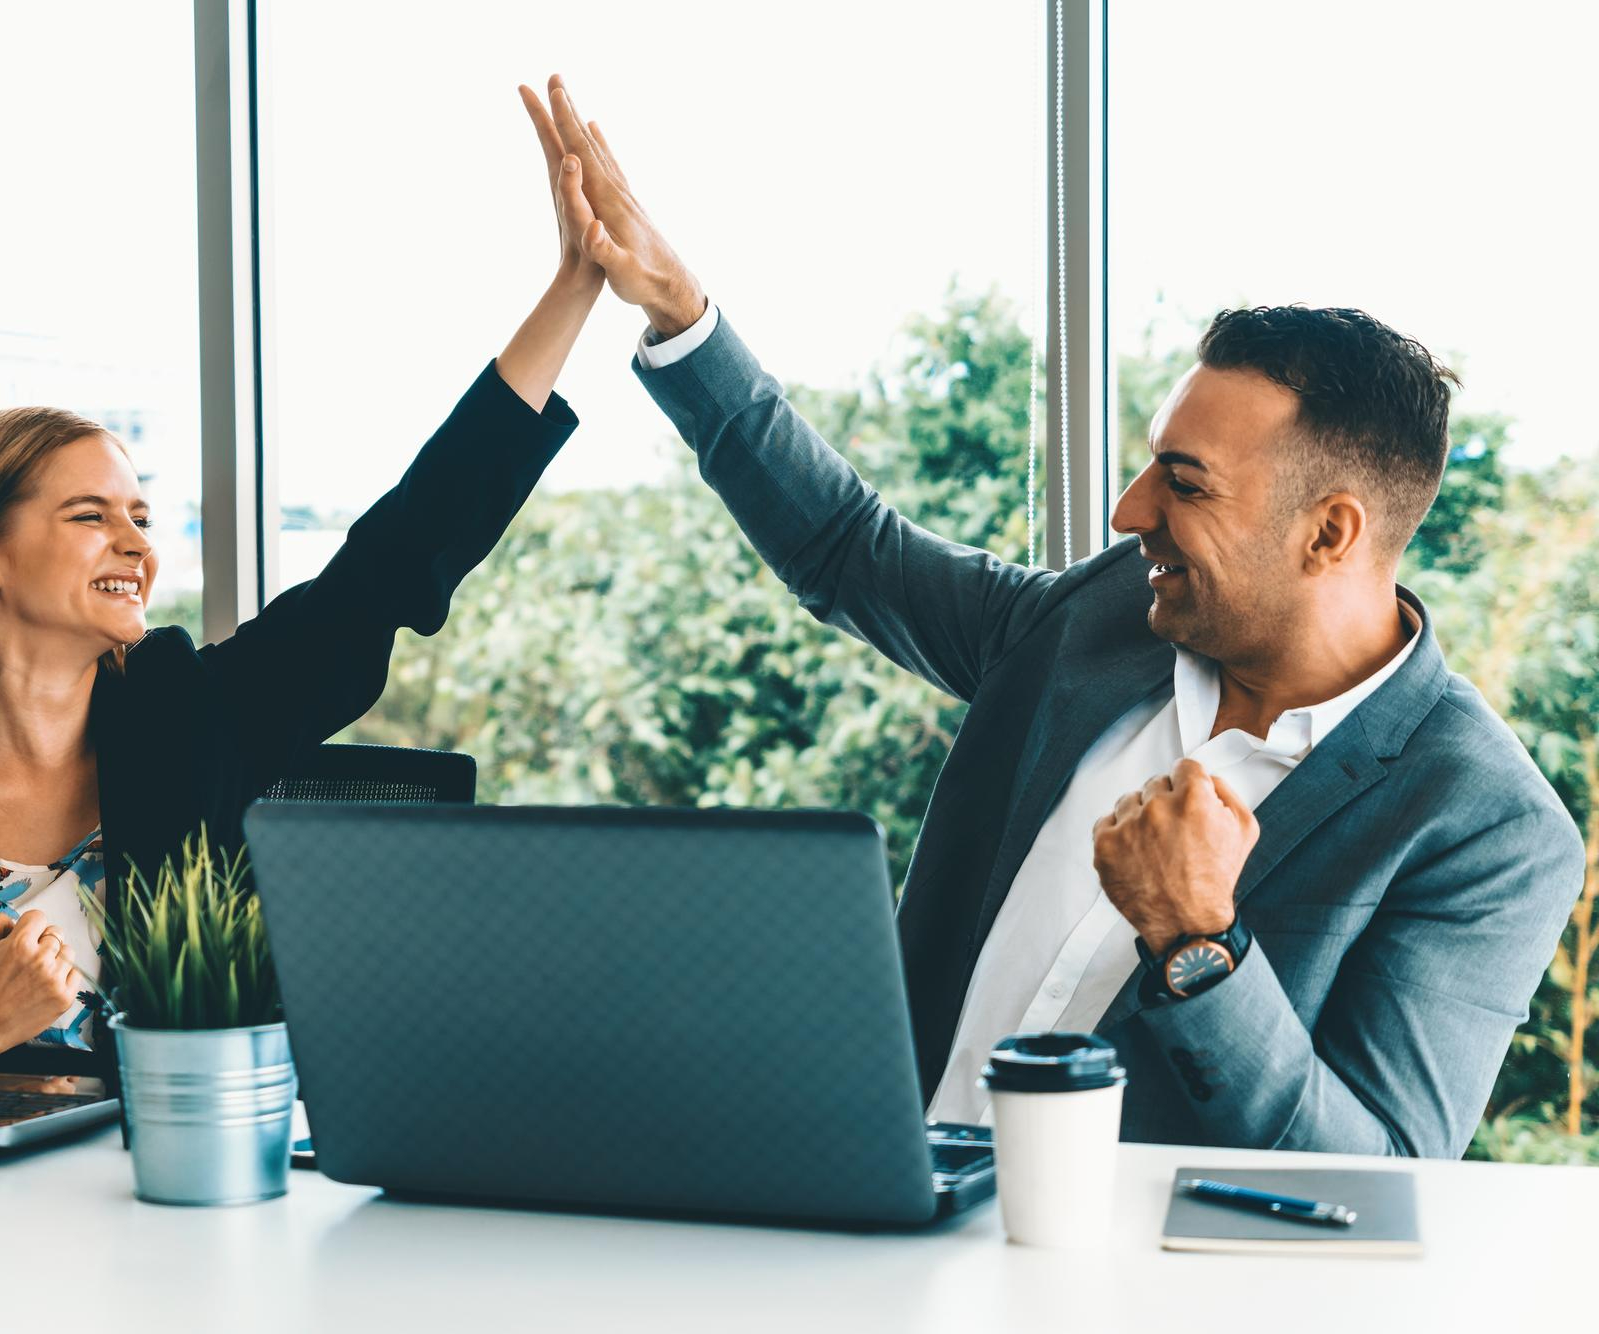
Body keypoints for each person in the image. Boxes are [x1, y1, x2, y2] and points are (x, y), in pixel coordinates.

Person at [535, 75, 1583, 1157]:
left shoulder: (1487, 825)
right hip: (888, 1215)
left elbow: (1380, 1176)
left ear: (1328, 533)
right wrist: (677, 312)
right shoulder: (1098, 618)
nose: (1130, 511)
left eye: (1184, 482)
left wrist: (1198, 940)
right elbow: (848, 549)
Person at [0, 88, 609, 1071]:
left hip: (195, 1156)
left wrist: (574, 286)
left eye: (139, 517)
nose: (134, 546)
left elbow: (393, 558)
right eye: (90, 516)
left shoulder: (194, 711)